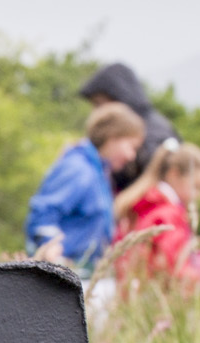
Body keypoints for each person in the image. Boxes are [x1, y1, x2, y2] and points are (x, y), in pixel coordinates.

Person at [26, 102, 148, 268]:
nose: (132, 156)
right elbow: (43, 213)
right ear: (112, 137)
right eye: (131, 147)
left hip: (84, 270)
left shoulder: (100, 173)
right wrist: (52, 250)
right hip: (63, 273)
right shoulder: (79, 169)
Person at [113, 142, 200, 285]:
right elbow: (170, 265)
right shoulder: (168, 214)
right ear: (174, 173)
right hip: (150, 294)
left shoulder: (145, 202)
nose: (198, 195)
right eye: (196, 186)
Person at [78, 63, 180, 192]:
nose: (97, 112)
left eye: (99, 104)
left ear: (119, 98)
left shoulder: (153, 134)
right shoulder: (148, 127)